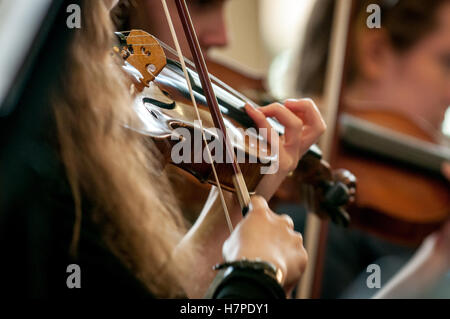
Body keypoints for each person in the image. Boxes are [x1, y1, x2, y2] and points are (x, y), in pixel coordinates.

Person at [0, 0, 326, 298]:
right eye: (201, 3)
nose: (224, 35)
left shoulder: (78, 140)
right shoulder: (40, 157)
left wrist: (233, 205)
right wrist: (257, 278)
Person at [281, 0, 450, 298]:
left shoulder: (420, 208)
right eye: (447, 63)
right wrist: (437, 260)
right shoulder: (308, 210)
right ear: (376, 53)